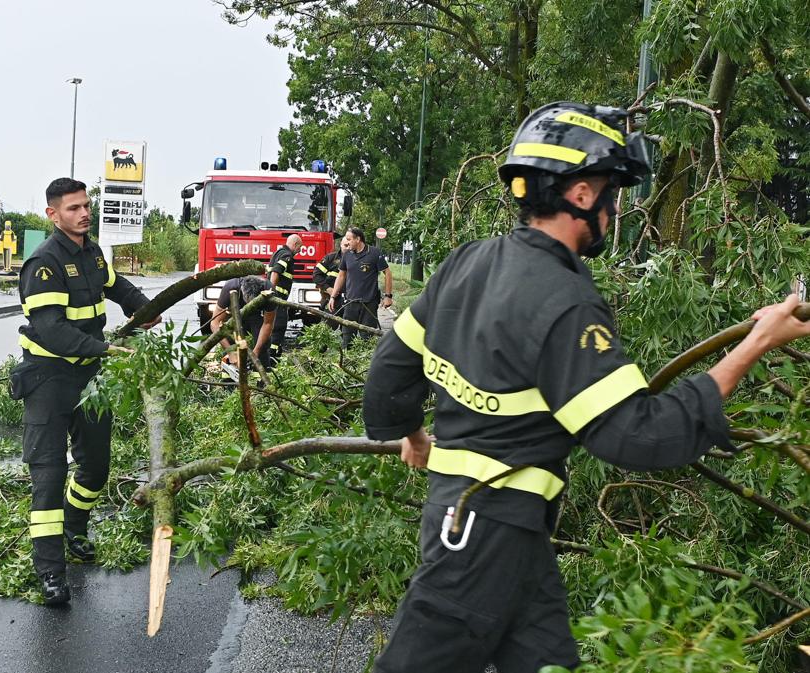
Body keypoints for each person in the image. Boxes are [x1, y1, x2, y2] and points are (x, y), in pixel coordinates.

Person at [362, 101, 810, 673]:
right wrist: (753, 346)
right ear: (579, 194)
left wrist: (413, 435)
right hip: (482, 537)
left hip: (488, 526)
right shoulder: (565, 301)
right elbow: (638, 434)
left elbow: (390, 372)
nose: (616, 205)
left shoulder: (466, 263)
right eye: (613, 189)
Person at [13, 178, 161, 606]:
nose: (84, 213)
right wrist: (107, 348)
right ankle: (51, 573)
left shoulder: (93, 252)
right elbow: (52, 331)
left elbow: (116, 285)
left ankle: (75, 526)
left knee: (95, 467)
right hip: (47, 379)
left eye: (86, 206)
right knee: (48, 477)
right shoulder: (43, 263)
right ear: (53, 214)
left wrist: (144, 308)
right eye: (74, 207)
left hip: (90, 379)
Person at [328, 227, 393, 346]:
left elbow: (387, 273)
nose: (347, 242)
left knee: (366, 339)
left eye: (349, 239)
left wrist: (388, 296)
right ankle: (347, 362)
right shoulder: (347, 255)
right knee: (347, 339)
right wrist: (333, 296)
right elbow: (341, 276)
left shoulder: (374, 253)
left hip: (369, 303)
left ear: (358, 239)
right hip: (350, 303)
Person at [209, 275, 276, 370]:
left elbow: (268, 324)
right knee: (228, 335)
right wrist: (230, 352)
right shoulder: (230, 287)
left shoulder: (269, 291)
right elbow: (214, 323)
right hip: (233, 314)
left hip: (256, 316)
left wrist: (256, 351)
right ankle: (228, 377)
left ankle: (261, 375)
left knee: (263, 343)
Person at [267, 233, 303, 364]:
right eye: (300, 247)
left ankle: (272, 352)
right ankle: (273, 354)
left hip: (276, 297)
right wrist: (272, 291)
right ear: (295, 244)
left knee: (272, 324)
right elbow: (276, 272)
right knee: (279, 325)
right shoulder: (287, 256)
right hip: (278, 298)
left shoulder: (278, 252)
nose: (299, 251)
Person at [313, 236, 351, 318]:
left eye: (350, 246)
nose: (348, 248)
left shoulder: (356, 260)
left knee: (348, 328)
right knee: (328, 327)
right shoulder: (330, 258)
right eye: (345, 245)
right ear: (340, 244)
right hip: (332, 300)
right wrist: (327, 289)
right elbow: (317, 275)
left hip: (350, 301)